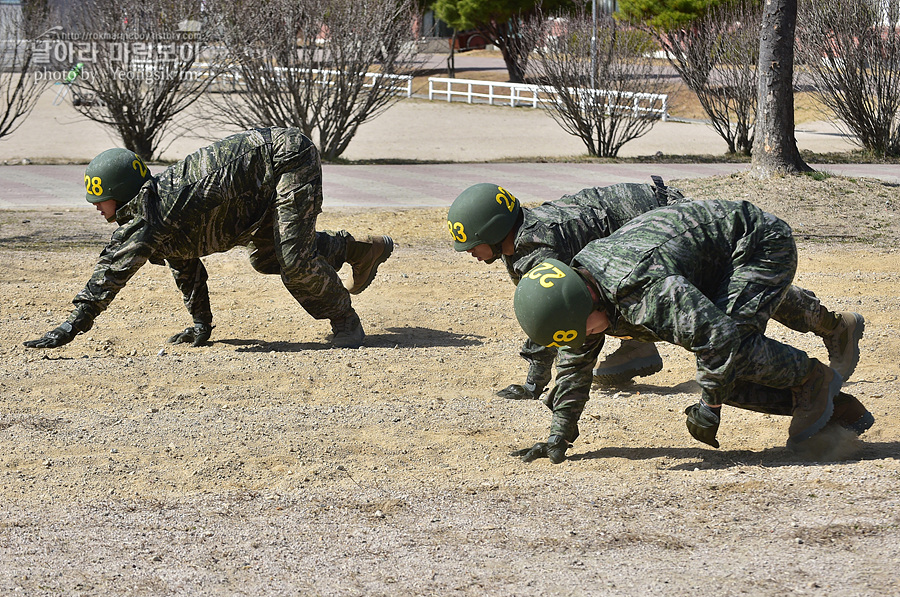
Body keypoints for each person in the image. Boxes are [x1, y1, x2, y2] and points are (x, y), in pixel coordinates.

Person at [511, 199, 872, 464]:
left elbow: (720, 338)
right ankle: (840, 411)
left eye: (581, 331)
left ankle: (813, 381)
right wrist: (559, 434)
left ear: (585, 304)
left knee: (732, 354)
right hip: (707, 261)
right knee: (721, 373)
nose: (584, 340)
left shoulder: (642, 290)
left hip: (757, 243)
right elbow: (575, 365)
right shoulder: (579, 296)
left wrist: (709, 405)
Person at [23, 128, 393, 350]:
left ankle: (345, 321)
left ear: (119, 194)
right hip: (257, 185)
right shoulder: (161, 218)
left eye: (98, 199)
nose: (95, 207)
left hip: (286, 160)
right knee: (266, 258)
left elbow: (111, 273)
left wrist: (71, 326)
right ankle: (361, 250)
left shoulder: (152, 213)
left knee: (294, 260)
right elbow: (184, 263)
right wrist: (202, 324)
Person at [448, 178, 687, 400]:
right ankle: (637, 347)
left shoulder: (538, 249)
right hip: (656, 211)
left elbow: (553, 314)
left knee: (593, 312)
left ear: (494, 231)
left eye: (473, 244)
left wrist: (534, 385)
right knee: (602, 300)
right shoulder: (520, 237)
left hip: (669, 220)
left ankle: (712, 365)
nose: (469, 251)